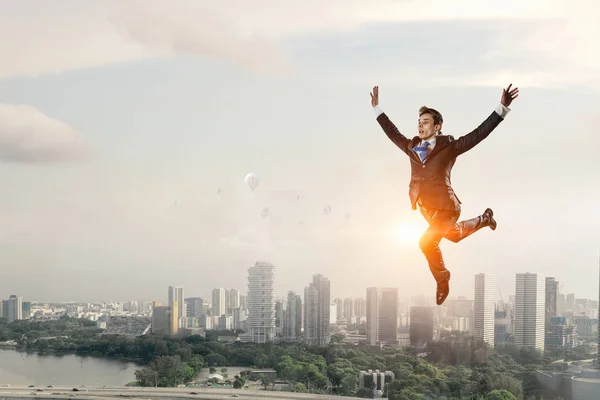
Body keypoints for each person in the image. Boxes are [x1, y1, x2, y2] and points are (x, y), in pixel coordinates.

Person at [370, 84, 519, 305]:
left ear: (437, 126)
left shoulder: (449, 146)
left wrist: (501, 108)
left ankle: (443, 279)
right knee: (455, 236)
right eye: (419, 122)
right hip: (426, 210)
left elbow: (478, 134)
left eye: (426, 122)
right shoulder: (412, 146)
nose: (420, 125)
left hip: (447, 208)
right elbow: (392, 133)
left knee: (426, 242)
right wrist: (377, 108)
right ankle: (484, 219)